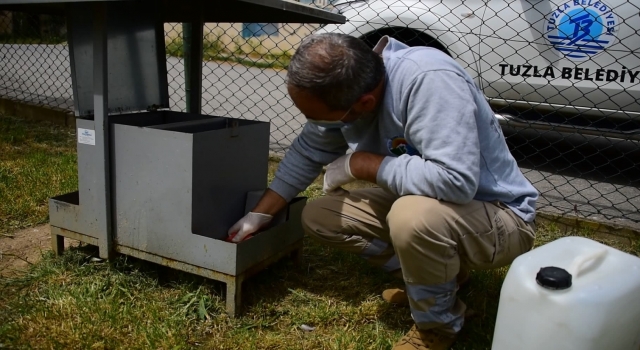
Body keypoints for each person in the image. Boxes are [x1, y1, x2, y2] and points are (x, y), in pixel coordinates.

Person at [227, 33, 538, 350]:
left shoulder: (429, 79)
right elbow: (307, 153)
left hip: (499, 215)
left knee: (412, 218)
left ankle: (436, 328)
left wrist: (362, 163)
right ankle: (438, 282)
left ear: (364, 104)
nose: (313, 124)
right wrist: (259, 214)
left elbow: (455, 181)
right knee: (321, 216)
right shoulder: (349, 87)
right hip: (434, 205)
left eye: (317, 117)